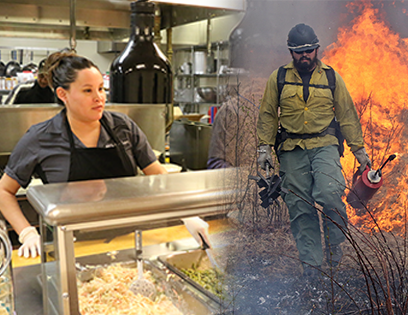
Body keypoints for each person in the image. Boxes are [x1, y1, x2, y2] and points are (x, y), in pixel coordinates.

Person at [0, 51, 209, 259]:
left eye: (101, 88)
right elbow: (4, 191)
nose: (99, 97)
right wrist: (27, 233)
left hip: (130, 241)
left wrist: (187, 214)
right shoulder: (41, 137)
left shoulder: (123, 127)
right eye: (87, 90)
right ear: (63, 95)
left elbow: (158, 176)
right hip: (70, 247)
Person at [256, 23, 371, 277]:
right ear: (291, 52)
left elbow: (347, 115)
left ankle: (334, 256)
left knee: (330, 195)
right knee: (300, 206)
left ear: (317, 49)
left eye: (309, 50)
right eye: (299, 51)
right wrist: (264, 148)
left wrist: (359, 151)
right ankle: (312, 268)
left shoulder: (331, 77)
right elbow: (267, 114)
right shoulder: (279, 78)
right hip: (291, 148)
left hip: (324, 146)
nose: (304, 55)